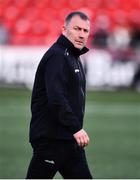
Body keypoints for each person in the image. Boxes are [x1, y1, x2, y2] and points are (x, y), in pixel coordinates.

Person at [26, 11, 93, 179]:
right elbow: (56, 98)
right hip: (52, 140)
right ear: (64, 29)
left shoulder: (73, 56)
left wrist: (73, 130)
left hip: (69, 141)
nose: (81, 35)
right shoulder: (57, 56)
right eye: (77, 29)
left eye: (85, 31)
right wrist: (75, 127)